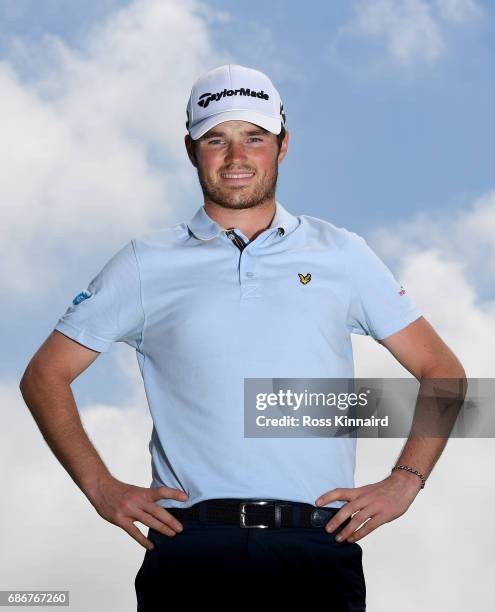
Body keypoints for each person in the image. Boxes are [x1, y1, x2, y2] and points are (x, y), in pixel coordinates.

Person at [19, 64, 465, 610]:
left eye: (254, 138)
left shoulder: (341, 254)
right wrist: (100, 486)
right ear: (191, 150)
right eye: (216, 140)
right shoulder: (143, 263)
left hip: (317, 546)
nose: (235, 158)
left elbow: (444, 373)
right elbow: (44, 375)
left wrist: (406, 480)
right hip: (191, 548)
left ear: (282, 145)